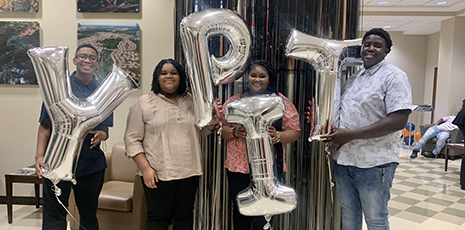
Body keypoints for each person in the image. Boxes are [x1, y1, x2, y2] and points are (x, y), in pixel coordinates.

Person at [307, 28, 412, 229]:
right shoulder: (354, 79)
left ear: (387, 50)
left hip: (374, 164)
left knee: (375, 219)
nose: (370, 48)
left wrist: (350, 135)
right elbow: (343, 114)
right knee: (349, 214)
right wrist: (319, 119)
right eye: (367, 44)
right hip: (344, 160)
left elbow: (398, 120)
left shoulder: (395, 77)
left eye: (377, 45)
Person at [124, 58, 220, 230]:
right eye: (164, 73)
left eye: (173, 73)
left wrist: (214, 118)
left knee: (184, 217)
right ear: (157, 78)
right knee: (157, 218)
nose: (169, 76)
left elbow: (200, 131)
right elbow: (132, 140)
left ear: (181, 77)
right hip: (158, 173)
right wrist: (146, 169)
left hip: (189, 171)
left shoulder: (193, 101)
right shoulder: (144, 102)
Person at [35, 44, 113, 230]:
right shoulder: (59, 88)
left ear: (97, 63)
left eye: (92, 58)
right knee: (54, 215)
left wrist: (102, 134)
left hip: (90, 164)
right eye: (83, 56)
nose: (87, 60)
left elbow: (104, 128)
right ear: (74, 60)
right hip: (56, 160)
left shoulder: (105, 90)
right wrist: (39, 156)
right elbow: (45, 125)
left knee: (88, 215)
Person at [220, 60, 301, 230]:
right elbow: (221, 130)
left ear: (269, 79)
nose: (257, 79)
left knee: (265, 213)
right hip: (239, 168)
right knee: (241, 210)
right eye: (253, 75)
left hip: (270, 168)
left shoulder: (280, 102)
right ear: (247, 77)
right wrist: (235, 132)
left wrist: (277, 136)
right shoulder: (235, 102)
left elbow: (295, 131)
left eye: (262, 76)